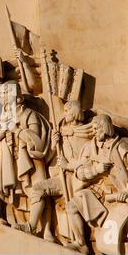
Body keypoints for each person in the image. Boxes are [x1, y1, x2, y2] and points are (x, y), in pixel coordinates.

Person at [65, 114, 128, 254]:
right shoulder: (89, 148)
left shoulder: (121, 147)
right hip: (96, 191)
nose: (94, 132)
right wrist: (95, 170)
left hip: (118, 196)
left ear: (105, 128)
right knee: (71, 205)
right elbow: (79, 172)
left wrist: (127, 192)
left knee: (114, 240)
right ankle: (81, 244)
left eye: (97, 128)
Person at [0, 81, 52, 232]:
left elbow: (37, 141)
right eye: (2, 93)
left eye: (7, 93)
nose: (3, 96)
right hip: (6, 159)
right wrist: (2, 130)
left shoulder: (29, 115)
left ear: (17, 97)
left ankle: (34, 226)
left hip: (27, 160)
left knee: (36, 192)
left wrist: (16, 130)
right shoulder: (4, 116)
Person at [16, 101, 93, 243]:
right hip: (62, 177)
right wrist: (53, 143)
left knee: (72, 207)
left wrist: (68, 165)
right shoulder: (62, 131)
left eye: (67, 112)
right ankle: (31, 226)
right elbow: (51, 157)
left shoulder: (86, 134)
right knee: (38, 189)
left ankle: (81, 243)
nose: (65, 114)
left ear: (75, 113)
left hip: (77, 179)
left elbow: (88, 161)